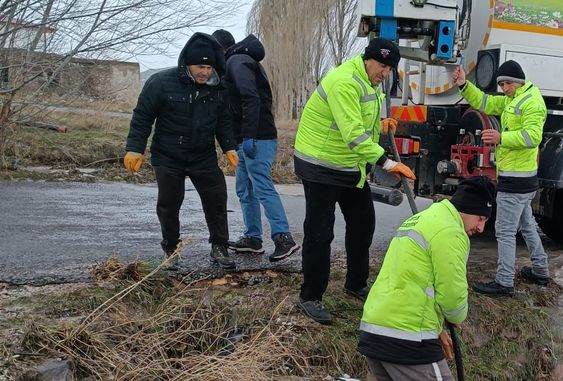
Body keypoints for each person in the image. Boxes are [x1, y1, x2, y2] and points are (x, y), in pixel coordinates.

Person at [358, 177, 494, 381]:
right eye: (481, 218)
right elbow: (452, 296)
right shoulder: (450, 232)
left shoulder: (422, 218)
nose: (481, 227)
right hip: (408, 337)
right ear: (468, 211)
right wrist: (454, 320)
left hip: (375, 327)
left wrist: (437, 327)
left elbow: (412, 280)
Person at [293, 37, 415, 325]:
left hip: (349, 166)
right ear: (367, 59)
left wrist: (380, 125)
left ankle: (356, 285)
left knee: (363, 223)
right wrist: (388, 162)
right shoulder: (345, 81)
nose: (385, 73)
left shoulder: (370, 82)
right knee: (320, 232)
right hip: (319, 164)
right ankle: (310, 296)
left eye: (390, 68)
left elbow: (362, 122)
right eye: (382, 66)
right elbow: (354, 136)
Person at [124, 33, 238, 270]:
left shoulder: (218, 88)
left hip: (202, 155)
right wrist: (135, 149)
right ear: (187, 64)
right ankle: (171, 248)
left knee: (216, 199)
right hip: (168, 154)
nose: (205, 72)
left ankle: (220, 246)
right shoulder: (161, 82)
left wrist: (229, 147)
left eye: (209, 66)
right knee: (169, 203)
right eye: (200, 66)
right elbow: (143, 117)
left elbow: (224, 120)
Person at [452, 60, 550, 296]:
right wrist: (465, 85)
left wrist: (500, 138)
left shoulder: (532, 102)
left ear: (517, 82)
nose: (503, 89)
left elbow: (532, 137)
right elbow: (484, 102)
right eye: (502, 84)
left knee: (505, 231)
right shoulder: (513, 99)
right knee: (527, 226)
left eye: (506, 84)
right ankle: (541, 269)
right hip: (520, 178)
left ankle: (504, 281)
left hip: (516, 180)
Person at [211, 30, 299, 262]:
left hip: (257, 138)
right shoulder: (238, 60)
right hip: (246, 138)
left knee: (261, 187)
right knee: (245, 189)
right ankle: (253, 238)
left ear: (220, 49)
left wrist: (249, 135)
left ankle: (284, 238)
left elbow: (250, 98)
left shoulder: (237, 61)